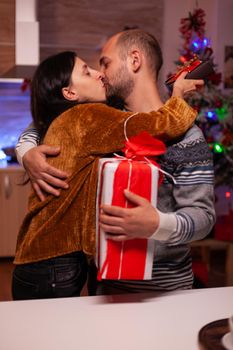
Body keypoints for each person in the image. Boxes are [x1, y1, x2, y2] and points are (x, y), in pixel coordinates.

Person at [13, 40, 200, 300]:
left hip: (53, 261)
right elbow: (161, 123)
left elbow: (200, 213)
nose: (99, 73)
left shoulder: (84, 116)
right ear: (69, 93)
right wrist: (178, 94)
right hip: (53, 264)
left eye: (103, 64)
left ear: (136, 60)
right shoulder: (88, 116)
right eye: (87, 71)